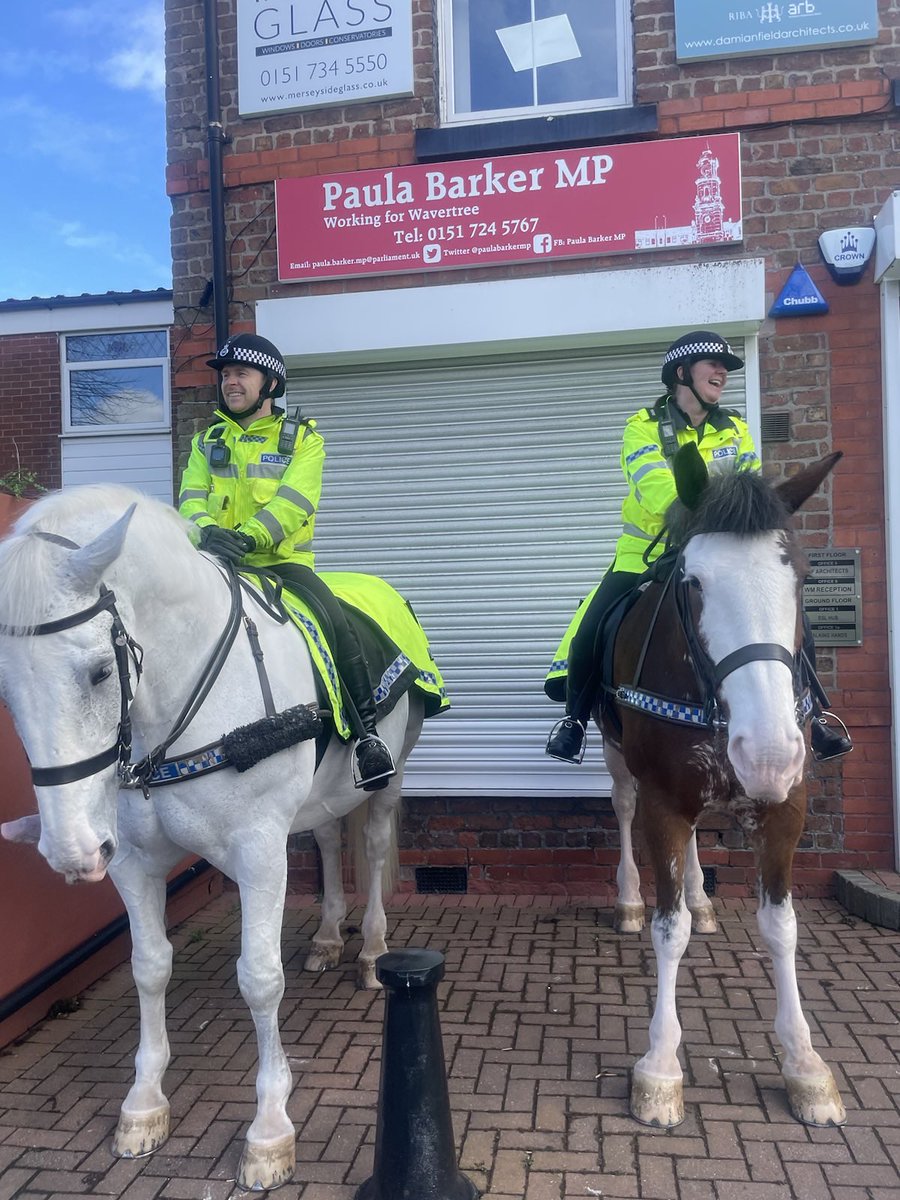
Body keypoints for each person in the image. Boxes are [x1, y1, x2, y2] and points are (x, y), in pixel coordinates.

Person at [545, 330, 853, 765]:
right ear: (680, 373)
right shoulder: (643, 428)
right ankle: (574, 721)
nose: (722, 372)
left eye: (725, 365)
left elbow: (749, 491)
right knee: (592, 627)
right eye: (712, 363)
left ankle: (815, 716)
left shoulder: (736, 430)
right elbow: (653, 486)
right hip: (648, 556)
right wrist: (693, 512)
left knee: (794, 622)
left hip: (723, 555)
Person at [178, 332, 397, 790]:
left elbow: (295, 503)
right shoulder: (206, 442)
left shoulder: (304, 440)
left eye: (241, 373)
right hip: (216, 561)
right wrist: (207, 533)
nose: (230, 383)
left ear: (270, 384)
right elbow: (189, 501)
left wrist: (247, 536)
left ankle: (367, 738)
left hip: (282, 566)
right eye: (225, 375)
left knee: (333, 623)